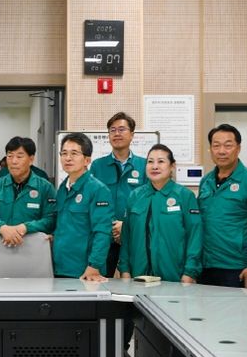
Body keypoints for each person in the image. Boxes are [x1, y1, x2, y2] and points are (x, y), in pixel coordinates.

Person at [118, 144, 202, 283]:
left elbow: (195, 236)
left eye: (161, 161)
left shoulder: (184, 196)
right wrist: (124, 270)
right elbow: (126, 237)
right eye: (150, 162)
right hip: (138, 275)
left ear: (172, 166)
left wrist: (190, 272)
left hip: (175, 276)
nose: (155, 166)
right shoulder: (135, 196)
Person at [197, 124, 247, 289]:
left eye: (228, 145)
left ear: (238, 148)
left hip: (237, 268)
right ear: (210, 149)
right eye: (216, 145)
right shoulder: (206, 181)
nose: (221, 151)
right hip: (205, 265)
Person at [89, 112, 147, 278]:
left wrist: (125, 225)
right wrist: (113, 226)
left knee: (135, 281)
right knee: (100, 282)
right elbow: (93, 201)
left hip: (133, 235)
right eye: (112, 130)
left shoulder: (144, 165)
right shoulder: (98, 165)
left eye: (121, 129)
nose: (116, 134)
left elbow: (145, 203)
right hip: (105, 236)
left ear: (132, 134)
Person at [53, 133, 112, 281]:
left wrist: (94, 265)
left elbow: (102, 232)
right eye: (64, 153)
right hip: (59, 267)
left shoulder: (98, 190)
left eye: (74, 153)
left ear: (87, 160)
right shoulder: (62, 189)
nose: (68, 158)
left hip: (85, 271)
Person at [0, 137, 56, 251]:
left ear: (31, 159)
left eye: (19, 156)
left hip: (33, 249)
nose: (13, 161)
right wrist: (2, 228)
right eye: (10, 156)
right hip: (1, 247)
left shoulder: (45, 187)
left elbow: (50, 219)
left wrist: (26, 227)